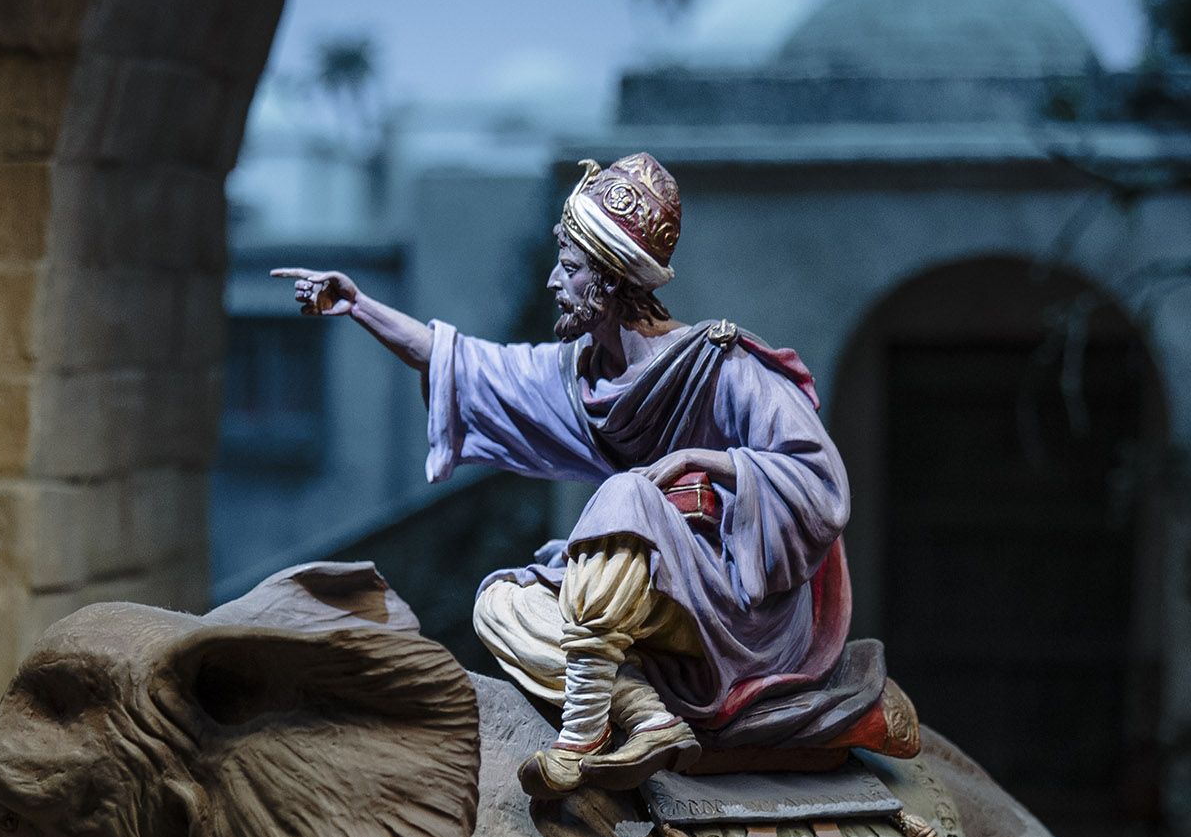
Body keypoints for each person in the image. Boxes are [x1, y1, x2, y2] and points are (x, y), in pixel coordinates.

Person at [276, 151, 865, 795]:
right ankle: (643, 715)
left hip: (731, 606)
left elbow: (819, 481)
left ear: (610, 281)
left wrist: (712, 463)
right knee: (502, 603)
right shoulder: (581, 374)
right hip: (636, 597)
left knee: (624, 492)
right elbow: (472, 366)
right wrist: (360, 306)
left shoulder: (719, 364)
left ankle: (579, 735)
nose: (556, 282)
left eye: (571, 267)